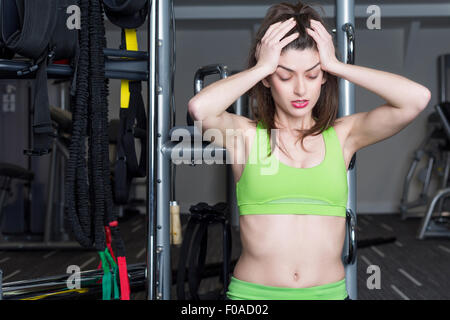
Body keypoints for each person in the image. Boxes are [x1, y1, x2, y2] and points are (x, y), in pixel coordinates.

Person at [187, 1, 431, 300]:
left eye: (313, 74)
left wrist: (337, 65)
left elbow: (416, 99)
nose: (301, 89)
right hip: (253, 297)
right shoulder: (246, 136)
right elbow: (200, 109)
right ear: (267, 79)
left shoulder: (343, 136)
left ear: (324, 76)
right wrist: (263, 65)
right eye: (285, 76)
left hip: (327, 295)